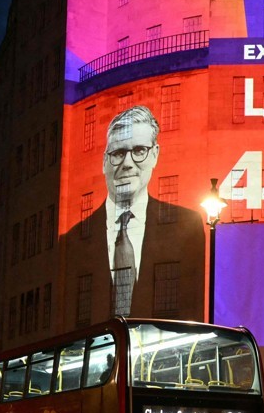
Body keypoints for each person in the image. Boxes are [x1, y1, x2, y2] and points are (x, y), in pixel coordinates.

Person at [70, 105, 206, 319]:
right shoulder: (73, 239)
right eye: (118, 153)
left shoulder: (188, 224)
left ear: (155, 155)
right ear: (105, 162)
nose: (127, 164)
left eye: (139, 151)